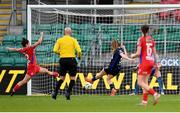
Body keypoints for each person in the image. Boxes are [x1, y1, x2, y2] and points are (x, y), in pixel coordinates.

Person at [131, 25, 160, 106]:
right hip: (151, 62)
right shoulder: (151, 39)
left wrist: (132, 55)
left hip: (144, 62)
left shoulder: (141, 39)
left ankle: (155, 94)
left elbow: (138, 53)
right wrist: (156, 63)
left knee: (140, 82)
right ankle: (144, 101)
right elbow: (154, 53)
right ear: (148, 30)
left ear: (141, 30)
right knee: (145, 82)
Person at [52, 27, 82, 100]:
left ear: (64, 32)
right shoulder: (73, 40)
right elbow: (79, 51)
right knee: (72, 78)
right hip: (71, 60)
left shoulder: (60, 40)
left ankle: (55, 92)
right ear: (70, 33)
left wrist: (61, 53)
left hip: (63, 60)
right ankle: (68, 92)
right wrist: (79, 57)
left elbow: (54, 50)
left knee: (62, 77)